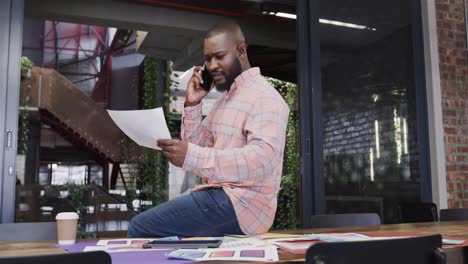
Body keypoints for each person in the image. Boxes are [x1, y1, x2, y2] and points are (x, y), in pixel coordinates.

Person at [127, 20, 289, 237]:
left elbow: (261, 160)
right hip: (221, 196)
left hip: (243, 205)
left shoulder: (265, 97)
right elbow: (198, 148)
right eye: (207, 59)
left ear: (241, 51)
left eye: (219, 56)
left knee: (141, 227)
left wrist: (192, 156)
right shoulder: (224, 102)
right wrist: (193, 105)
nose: (212, 65)